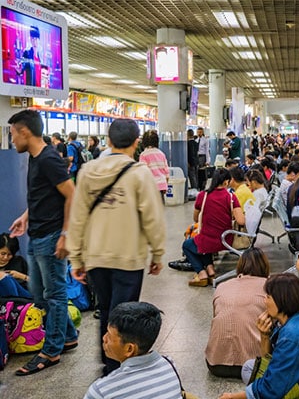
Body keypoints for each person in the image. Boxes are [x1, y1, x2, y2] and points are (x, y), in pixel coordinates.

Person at [67, 118, 166, 377]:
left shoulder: (88, 170)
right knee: (123, 314)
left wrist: (76, 258)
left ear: (108, 141)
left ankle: (108, 361)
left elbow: (78, 217)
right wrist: (157, 253)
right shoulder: (139, 173)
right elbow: (152, 217)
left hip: (96, 257)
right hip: (128, 258)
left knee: (107, 310)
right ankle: (119, 367)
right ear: (136, 142)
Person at [8, 109, 78, 376]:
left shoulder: (49, 159)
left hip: (51, 236)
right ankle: (68, 335)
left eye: (13, 134)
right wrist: (25, 217)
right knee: (39, 293)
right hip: (36, 234)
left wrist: (65, 234)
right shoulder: (35, 158)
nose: (12, 140)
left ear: (25, 132)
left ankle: (51, 350)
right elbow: (45, 195)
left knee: (55, 294)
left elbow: (72, 196)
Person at [218, 273, 299, 399]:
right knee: (248, 368)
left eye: (268, 296)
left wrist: (233, 397)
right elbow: (271, 362)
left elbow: (272, 388)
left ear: (281, 300)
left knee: (259, 387)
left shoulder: (294, 335)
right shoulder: (292, 319)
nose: (264, 300)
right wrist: (264, 335)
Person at [84, 302, 182, 399]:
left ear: (129, 349)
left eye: (109, 336)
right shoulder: (169, 364)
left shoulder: (101, 391)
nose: (104, 338)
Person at [206, 248, 269, 378]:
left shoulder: (222, 286)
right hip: (255, 365)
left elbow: (215, 317)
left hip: (215, 365)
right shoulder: (269, 286)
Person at [183, 168, 245, 287]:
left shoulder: (202, 196)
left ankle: (201, 273)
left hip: (208, 240)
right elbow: (241, 221)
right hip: (225, 240)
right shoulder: (231, 197)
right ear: (226, 182)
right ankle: (211, 270)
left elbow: (196, 218)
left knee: (187, 245)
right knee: (204, 242)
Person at [138, 129, 169, 201]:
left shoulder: (143, 155)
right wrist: (165, 185)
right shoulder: (161, 154)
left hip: (149, 188)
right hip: (161, 187)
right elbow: (167, 173)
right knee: (160, 210)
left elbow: (143, 173)